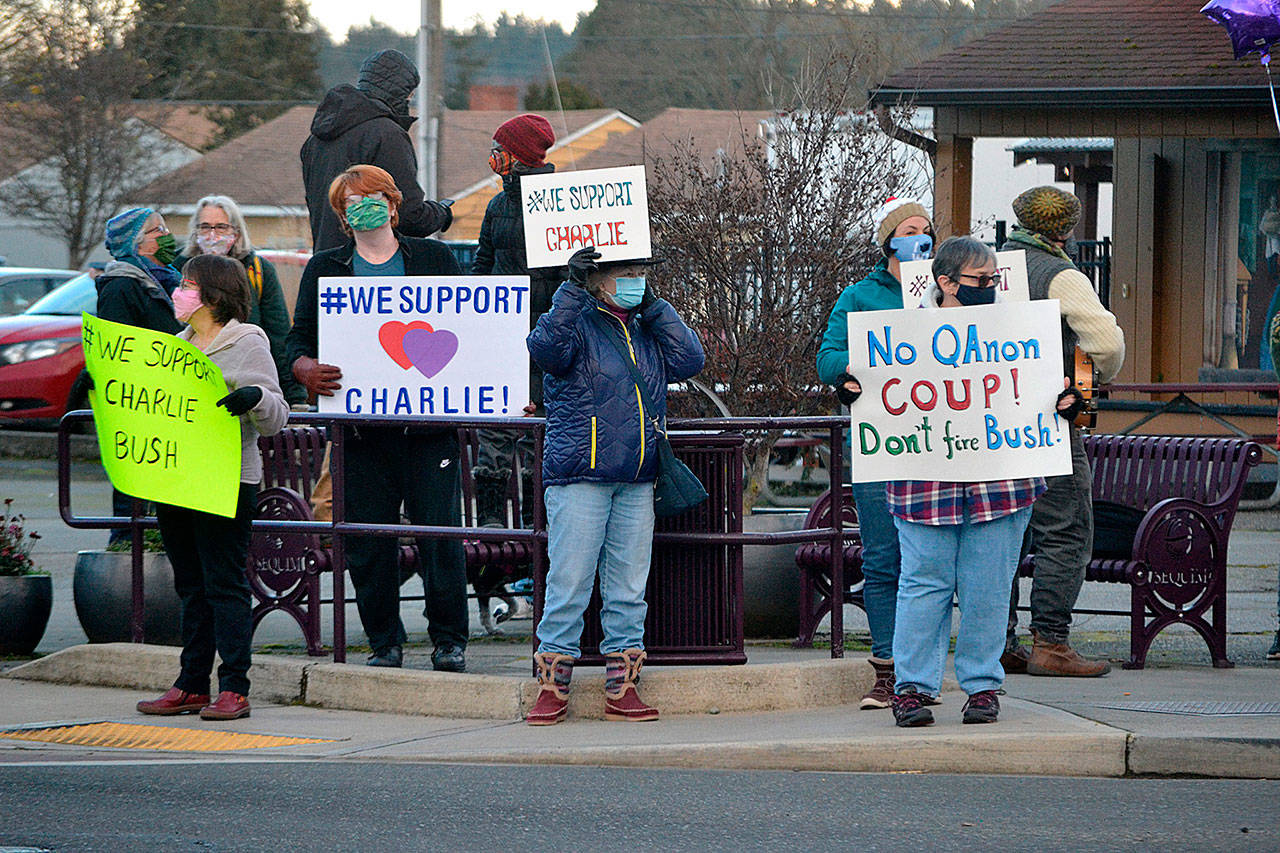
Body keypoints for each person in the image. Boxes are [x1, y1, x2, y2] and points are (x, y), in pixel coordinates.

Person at [844, 236, 1077, 727]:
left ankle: (982, 687)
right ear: (945, 282)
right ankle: (911, 688)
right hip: (927, 480)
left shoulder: (1015, 331)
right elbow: (873, 383)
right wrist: (853, 384)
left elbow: (1043, 386)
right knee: (922, 584)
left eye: (994, 280)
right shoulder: (903, 338)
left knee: (988, 587)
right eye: (979, 280)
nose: (990, 287)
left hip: (1000, 484)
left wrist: (1066, 401)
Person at [285, 164, 468, 672]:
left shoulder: (433, 258)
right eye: (350, 204)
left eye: (371, 199)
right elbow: (298, 340)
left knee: (441, 537)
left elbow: (474, 330)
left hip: (431, 431)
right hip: (361, 432)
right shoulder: (325, 268)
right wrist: (305, 369)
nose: (362, 209)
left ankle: (449, 640)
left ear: (392, 203)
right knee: (368, 542)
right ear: (342, 217)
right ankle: (384, 642)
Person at [524, 246, 705, 725]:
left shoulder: (646, 326)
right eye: (625, 274)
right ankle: (550, 684)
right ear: (598, 279)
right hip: (581, 473)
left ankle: (623, 685)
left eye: (640, 273)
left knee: (628, 587)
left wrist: (656, 308)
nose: (635, 281)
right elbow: (544, 351)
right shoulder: (575, 320)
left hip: (637, 473)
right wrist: (569, 288)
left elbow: (690, 360)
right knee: (569, 581)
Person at [136, 254, 288, 721]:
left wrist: (255, 398)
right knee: (191, 585)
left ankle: (235, 687)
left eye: (187, 283)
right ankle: (191, 683)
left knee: (224, 583)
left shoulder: (246, 342)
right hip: (177, 478)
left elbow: (277, 415)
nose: (178, 291)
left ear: (213, 293)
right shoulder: (175, 345)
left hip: (226, 478)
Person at [815, 197, 934, 710]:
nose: (920, 237)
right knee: (884, 561)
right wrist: (852, 374)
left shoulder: (944, 293)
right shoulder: (860, 297)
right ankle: (887, 670)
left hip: (936, 445)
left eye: (927, 230)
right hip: (880, 445)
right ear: (888, 240)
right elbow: (828, 356)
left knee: (929, 566)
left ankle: (920, 675)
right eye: (909, 229)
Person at [1001, 186, 1125, 677]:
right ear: (1067, 229)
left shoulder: (991, 264)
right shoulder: (1061, 274)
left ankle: (998, 641)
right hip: (1051, 418)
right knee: (1065, 528)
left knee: (1001, 531)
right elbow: (1104, 341)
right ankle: (1050, 643)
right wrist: (1097, 376)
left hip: (990, 420)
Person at [469, 113, 559, 632]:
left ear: (516, 153)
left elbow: (484, 266)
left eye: (499, 148)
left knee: (514, 438)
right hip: (519, 337)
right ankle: (509, 540)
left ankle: (509, 540)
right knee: (516, 440)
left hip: (529, 340)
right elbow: (484, 266)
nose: (493, 156)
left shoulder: (526, 204)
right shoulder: (502, 204)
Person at [300, 48, 452, 252]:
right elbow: (408, 215)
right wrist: (440, 213)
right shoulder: (387, 135)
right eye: (409, 95)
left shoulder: (315, 140)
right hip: (372, 265)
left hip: (327, 267)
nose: (409, 100)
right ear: (400, 93)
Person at [96, 207, 182, 546]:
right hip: (140, 411)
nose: (166, 236)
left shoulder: (171, 279)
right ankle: (126, 557)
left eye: (164, 227)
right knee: (134, 501)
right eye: (156, 231)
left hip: (171, 407)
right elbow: (118, 352)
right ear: (135, 242)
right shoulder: (122, 285)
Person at [176, 195, 306, 407]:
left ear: (235, 232)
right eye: (205, 227)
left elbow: (279, 334)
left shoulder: (259, 271)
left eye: (220, 227)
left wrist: (295, 397)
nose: (212, 235)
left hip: (244, 381)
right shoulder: (178, 269)